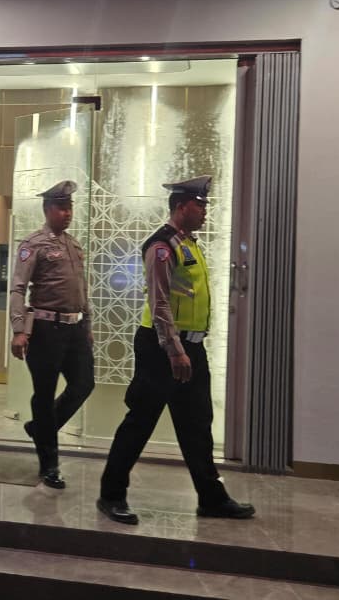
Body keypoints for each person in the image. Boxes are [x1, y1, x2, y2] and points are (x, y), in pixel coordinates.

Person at [96, 175, 254, 524]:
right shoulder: (161, 246)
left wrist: (187, 349)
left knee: (197, 424)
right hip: (162, 349)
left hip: (190, 348)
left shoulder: (189, 244)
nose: (205, 211)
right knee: (140, 421)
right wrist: (174, 349)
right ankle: (111, 494)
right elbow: (160, 302)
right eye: (200, 204)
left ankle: (211, 499)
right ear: (181, 206)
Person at [8, 179, 95, 489]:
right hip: (45, 330)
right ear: (47, 210)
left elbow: (81, 289)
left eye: (70, 207)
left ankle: (40, 429)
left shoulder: (74, 245)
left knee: (84, 384)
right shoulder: (33, 244)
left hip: (75, 329)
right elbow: (18, 288)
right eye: (61, 207)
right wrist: (19, 330)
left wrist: (88, 325)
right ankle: (49, 465)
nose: (67, 213)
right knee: (44, 395)